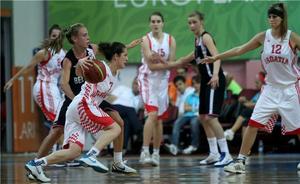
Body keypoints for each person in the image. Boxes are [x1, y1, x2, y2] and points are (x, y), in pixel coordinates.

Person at [202, 3, 300, 173]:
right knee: (253, 123)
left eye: (275, 17)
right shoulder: (264, 36)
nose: (271, 20)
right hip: (270, 88)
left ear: (282, 18)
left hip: (290, 88)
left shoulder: (292, 37)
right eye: (269, 17)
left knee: (298, 127)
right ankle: (241, 161)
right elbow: (240, 49)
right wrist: (217, 56)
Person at [25, 41, 134, 182]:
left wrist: (128, 46)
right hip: (84, 104)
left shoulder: (114, 72)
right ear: (115, 57)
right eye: (125, 55)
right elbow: (78, 70)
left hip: (75, 109)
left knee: (73, 152)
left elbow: (111, 51)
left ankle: (35, 164)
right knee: (115, 128)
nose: (127, 58)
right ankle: (91, 155)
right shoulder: (101, 67)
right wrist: (81, 63)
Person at [179, 11, 233, 167]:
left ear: (201, 21)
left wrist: (215, 74)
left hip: (213, 80)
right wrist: (177, 61)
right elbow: (191, 57)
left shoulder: (206, 37)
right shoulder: (196, 41)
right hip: (205, 82)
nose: (191, 25)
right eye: (189, 23)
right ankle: (214, 154)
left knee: (211, 117)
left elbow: (217, 56)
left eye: (194, 22)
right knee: (202, 117)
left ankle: (226, 154)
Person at [138, 11, 182, 166]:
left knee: (159, 121)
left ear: (163, 23)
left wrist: (162, 60)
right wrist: (167, 63)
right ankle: (144, 152)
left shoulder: (171, 39)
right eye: (153, 21)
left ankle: (156, 153)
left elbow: (171, 62)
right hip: (148, 80)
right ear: (150, 24)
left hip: (163, 82)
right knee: (152, 114)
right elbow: (150, 64)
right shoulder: (145, 39)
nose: (155, 24)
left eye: (158, 21)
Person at [4, 25, 65, 123]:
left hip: (54, 89)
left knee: (61, 124)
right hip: (44, 87)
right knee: (59, 122)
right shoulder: (44, 53)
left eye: (59, 36)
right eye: (54, 36)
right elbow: (28, 67)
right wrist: (12, 80)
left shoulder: (63, 54)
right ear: (50, 37)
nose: (56, 38)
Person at [224, 72, 266, 141]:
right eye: (255, 83)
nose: (255, 85)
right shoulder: (258, 93)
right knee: (245, 121)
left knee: (245, 111)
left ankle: (231, 131)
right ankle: (245, 149)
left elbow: (261, 105)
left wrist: (248, 104)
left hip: (260, 113)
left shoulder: (266, 92)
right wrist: (245, 101)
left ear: (263, 82)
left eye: (257, 83)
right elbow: (251, 102)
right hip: (252, 113)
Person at [165, 75, 201, 155]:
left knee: (194, 122)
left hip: (196, 115)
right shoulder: (180, 94)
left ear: (185, 84)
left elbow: (196, 106)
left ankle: (194, 145)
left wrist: (191, 108)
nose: (178, 87)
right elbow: (182, 107)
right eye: (177, 85)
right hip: (186, 115)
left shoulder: (191, 91)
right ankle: (174, 146)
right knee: (177, 123)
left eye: (180, 84)